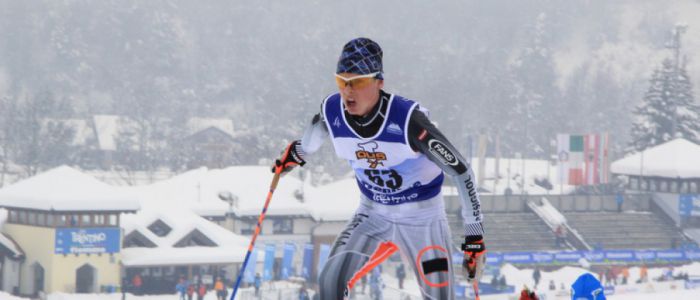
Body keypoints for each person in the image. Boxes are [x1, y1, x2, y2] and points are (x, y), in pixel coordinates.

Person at [271, 37, 486, 300]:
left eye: (358, 82)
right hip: (372, 213)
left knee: (440, 296)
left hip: (422, 218)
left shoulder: (407, 120)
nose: (348, 90)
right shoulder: (332, 111)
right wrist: (293, 156)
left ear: (379, 82)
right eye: (342, 81)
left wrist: (474, 236)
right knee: (330, 282)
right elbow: (310, 140)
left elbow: (461, 171)